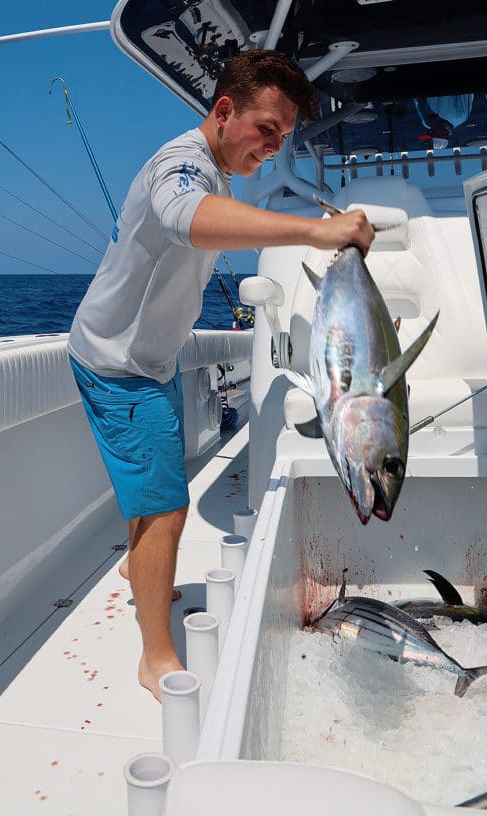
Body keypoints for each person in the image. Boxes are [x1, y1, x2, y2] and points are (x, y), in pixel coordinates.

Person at [67, 49, 374, 701]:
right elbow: (190, 220)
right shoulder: (181, 166)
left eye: (283, 137)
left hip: (147, 357)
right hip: (117, 365)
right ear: (225, 110)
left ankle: (137, 563)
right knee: (167, 505)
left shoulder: (214, 170)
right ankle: (154, 656)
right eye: (267, 129)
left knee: (156, 486)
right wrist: (314, 234)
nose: (273, 146)